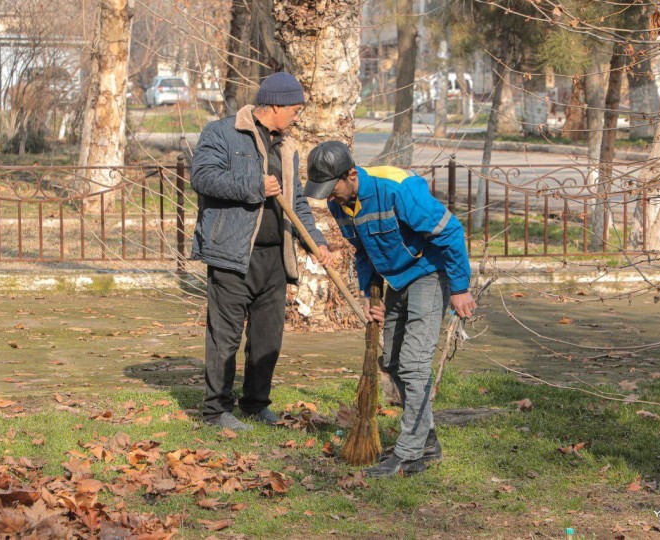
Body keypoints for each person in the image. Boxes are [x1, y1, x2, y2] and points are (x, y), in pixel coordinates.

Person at [304, 141, 476, 476]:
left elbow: (451, 230)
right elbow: (364, 252)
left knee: (414, 363)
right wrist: (373, 297)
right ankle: (426, 442)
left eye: (332, 187)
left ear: (351, 175)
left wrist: (460, 288)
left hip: (429, 273)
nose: (329, 196)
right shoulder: (341, 205)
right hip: (397, 281)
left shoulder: (397, 189)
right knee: (395, 361)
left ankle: (410, 455)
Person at [190, 72, 331, 430]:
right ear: (277, 106)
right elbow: (203, 177)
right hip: (233, 253)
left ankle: (255, 404)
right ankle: (216, 411)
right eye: (295, 110)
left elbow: (297, 201)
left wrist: (315, 242)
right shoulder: (222, 132)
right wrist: (254, 185)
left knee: (267, 336)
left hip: (274, 257)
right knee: (226, 336)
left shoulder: (285, 147)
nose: (297, 117)